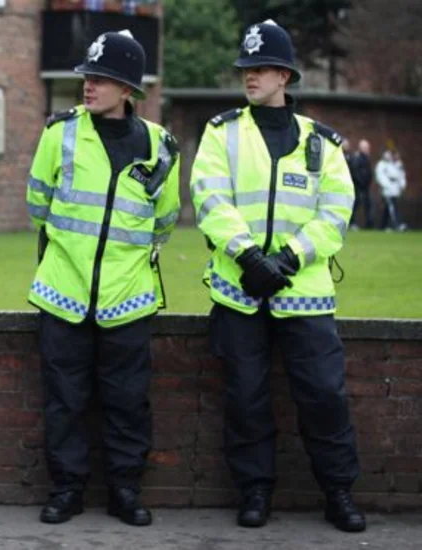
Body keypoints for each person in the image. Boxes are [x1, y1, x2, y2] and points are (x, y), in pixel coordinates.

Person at [189, 20, 366, 533]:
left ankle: (339, 493)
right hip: (238, 291)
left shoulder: (322, 142)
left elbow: (336, 212)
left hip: (305, 293)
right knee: (245, 397)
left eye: (261, 67)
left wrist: (287, 260)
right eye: (246, 67)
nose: (250, 75)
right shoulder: (221, 133)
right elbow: (209, 197)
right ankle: (254, 492)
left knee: (325, 397)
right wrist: (248, 257)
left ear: (285, 75)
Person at [26, 29, 181, 527]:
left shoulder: (162, 147)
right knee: (63, 402)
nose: (89, 86)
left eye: (102, 78)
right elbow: (38, 206)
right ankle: (66, 490)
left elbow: (165, 220)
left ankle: (124, 492)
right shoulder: (60, 133)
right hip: (63, 291)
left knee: (128, 403)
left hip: (129, 297)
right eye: (88, 77)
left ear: (129, 90)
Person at [375, 149, 407, 231]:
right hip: (387, 190)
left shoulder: (394, 164)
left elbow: (399, 176)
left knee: (389, 208)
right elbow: (380, 177)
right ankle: (397, 224)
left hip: (394, 189)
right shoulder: (381, 164)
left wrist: (401, 186)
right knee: (392, 207)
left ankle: (383, 225)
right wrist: (386, 185)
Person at [349, 139, 374, 229]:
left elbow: (369, 173)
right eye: (366, 147)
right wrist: (361, 183)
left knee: (368, 205)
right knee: (355, 205)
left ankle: (369, 225)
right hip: (358, 187)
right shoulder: (357, 158)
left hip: (365, 187)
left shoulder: (367, 158)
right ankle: (351, 223)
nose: (368, 149)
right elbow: (355, 172)